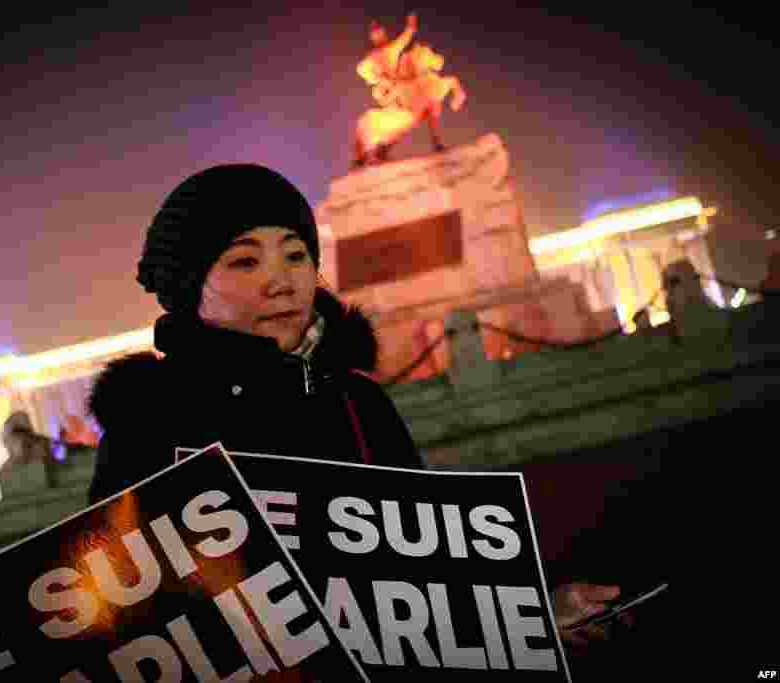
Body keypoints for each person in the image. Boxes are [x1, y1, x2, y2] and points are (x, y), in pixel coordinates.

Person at [86, 162, 625, 656]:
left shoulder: (357, 402)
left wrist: (535, 617)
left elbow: (426, 586)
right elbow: (116, 621)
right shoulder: (149, 421)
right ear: (188, 286)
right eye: (245, 260)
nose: (282, 281)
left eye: (296, 255)